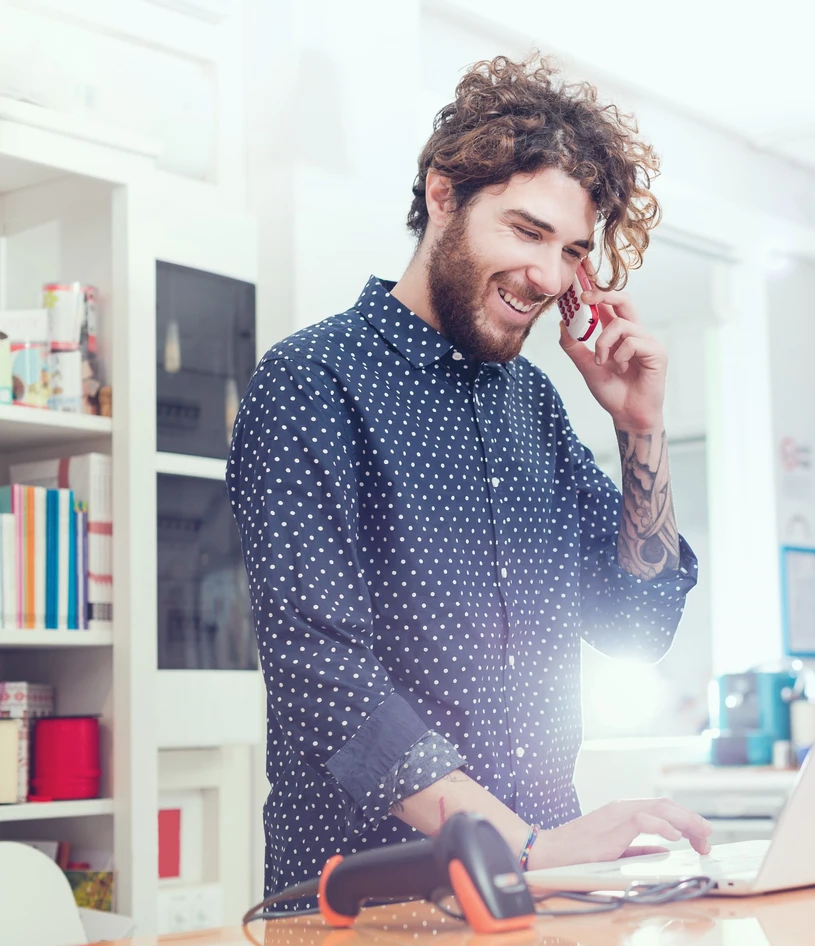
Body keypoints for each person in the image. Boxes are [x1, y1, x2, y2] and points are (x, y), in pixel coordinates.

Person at [227, 54, 711, 900]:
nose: (550, 278)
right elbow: (323, 678)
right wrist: (518, 846)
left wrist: (640, 429)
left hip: (539, 886)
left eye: (571, 252)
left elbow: (637, 624)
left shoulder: (536, 407)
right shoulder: (310, 381)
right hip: (370, 898)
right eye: (526, 232)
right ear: (443, 194)